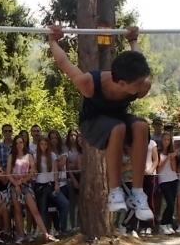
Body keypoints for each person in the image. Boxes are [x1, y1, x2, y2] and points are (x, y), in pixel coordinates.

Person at [47, 24, 155, 221]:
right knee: (118, 127)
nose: (143, 88)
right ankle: (114, 191)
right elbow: (64, 63)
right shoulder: (89, 83)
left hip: (117, 118)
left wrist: (133, 41)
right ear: (121, 84)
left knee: (140, 126)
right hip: (93, 123)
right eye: (138, 84)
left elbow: (138, 61)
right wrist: (53, 40)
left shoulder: (140, 84)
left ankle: (138, 194)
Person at [6, 135, 52, 244]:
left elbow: (33, 170)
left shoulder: (29, 156)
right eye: (17, 143)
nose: (19, 145)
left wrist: (23, 180)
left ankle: (45, 233)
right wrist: (15, 184)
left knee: (34, 209)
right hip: (14, 185)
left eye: (21, 142)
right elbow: (8, 172)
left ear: (24, 143)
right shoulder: (11, 156)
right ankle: (21, 235)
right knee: (17, 211)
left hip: (26, 185)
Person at [33, 137, 70, 236]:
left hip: (51, 184)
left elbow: (55, 171)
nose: (44, 146)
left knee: (65, 204)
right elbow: (33, 171)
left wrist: (57, 184)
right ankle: (46, 233)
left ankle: (63, 229)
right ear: (39, 145)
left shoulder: (52, 155)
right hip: (40, 186)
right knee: (43, 209)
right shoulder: (35, 156)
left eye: (45, 144)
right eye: (41, 144)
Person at [156, 132, 178, 235]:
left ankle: (168, 223)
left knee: (173, 204)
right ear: (161, 140)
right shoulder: (158, 152)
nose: (166, 142)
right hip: (164, 180)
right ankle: (163, 223)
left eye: (168, 140)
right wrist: (167, 158)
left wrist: (173, 158)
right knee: (170, 203)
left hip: (174, 179)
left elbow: (174, 168)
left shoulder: (171, 152)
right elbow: (158, 169)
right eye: (165, 139)